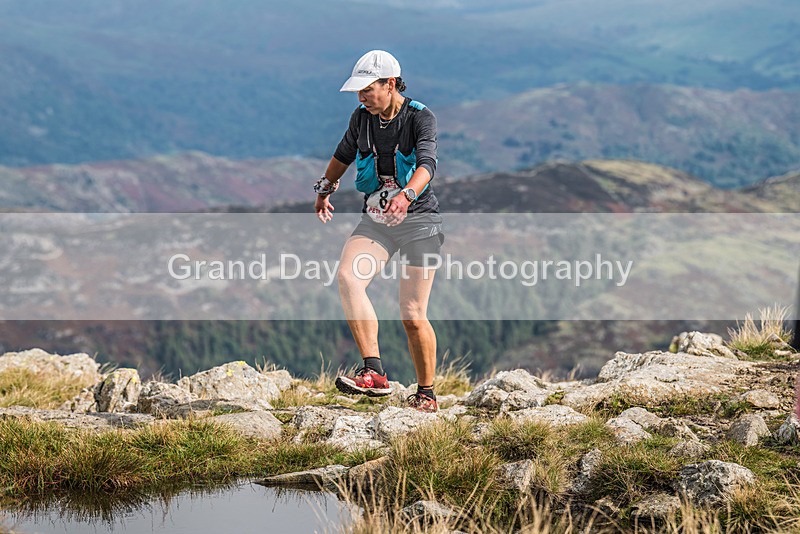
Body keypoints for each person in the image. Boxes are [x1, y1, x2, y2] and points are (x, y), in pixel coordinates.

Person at [313, 50, 444, 413]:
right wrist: (324, 189)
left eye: (367, 89)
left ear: (390, 84)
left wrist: (407, 195)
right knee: (348, 277)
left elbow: (427, 164)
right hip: (377, 220)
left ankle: (427, 394)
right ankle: (374, 372)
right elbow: (343, 154)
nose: (361, 97)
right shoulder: (361, 118)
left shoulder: (420, 117)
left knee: (413, 314)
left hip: (420, 221)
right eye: (358, 91)